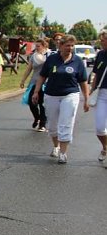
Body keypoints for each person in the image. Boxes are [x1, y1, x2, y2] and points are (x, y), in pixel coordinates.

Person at [33, 34, 90, 164]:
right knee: (52, 126)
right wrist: (36, 92)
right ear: (60, 46)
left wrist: (86, 99)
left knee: (66, 123)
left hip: (70, 95)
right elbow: (42, 76)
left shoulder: (77, 61)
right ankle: (56, 146)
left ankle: (63, 153)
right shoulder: (52, 59)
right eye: (67, 45)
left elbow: (83, 81)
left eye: (72, 46)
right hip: (51, 95)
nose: (70, 48)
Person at [18, 38, 49, 131]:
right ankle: (37, 117)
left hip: (46, 83)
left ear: (44, 46)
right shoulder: (33, 56)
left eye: (38, 46)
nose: (36, 48)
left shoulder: (49, 55)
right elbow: (29, 69)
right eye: (36, 46)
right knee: (32, 103)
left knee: (43, 104)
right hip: (34, 82)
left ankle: (42, 124)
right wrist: (23, 80)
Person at [90, 30, 107, 164]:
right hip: (101, 93)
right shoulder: (100, 54)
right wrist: (91, 90)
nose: (101, 42)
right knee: (100, 128)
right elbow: (96, 73)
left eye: (103, 40)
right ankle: (105, 147)